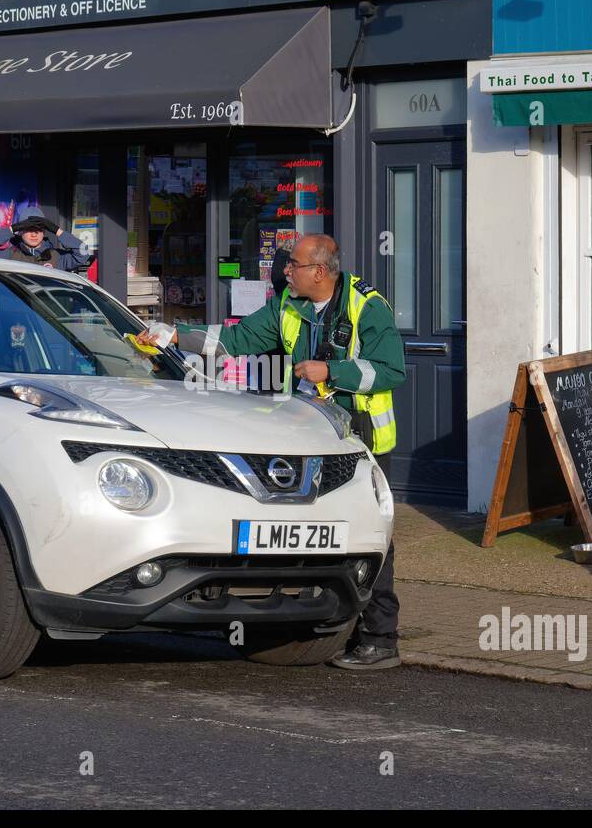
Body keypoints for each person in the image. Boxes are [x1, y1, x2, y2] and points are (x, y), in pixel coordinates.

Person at [136, 234, 407, 670]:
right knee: (306, 532)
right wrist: (173, 336)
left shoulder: (366, 306)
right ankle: (310, 624)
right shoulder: (287, 305)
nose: (286, 271)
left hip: (361, 441)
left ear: (319, 272)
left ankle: (380, 638)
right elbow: (234, 341)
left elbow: (393, 369)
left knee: (373, 540)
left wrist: (331, 370)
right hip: (306, 437)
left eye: (294, 265)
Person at [0, 214, 88, 272]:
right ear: (20, 231)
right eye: (29, 229)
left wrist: (57, 230)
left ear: (44, 232)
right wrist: (12, 229)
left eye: (39, 230)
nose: (34, 234)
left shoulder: (57, 257)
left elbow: (84, 252)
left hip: (49, 314)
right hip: (17, 312)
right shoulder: (10, 255)